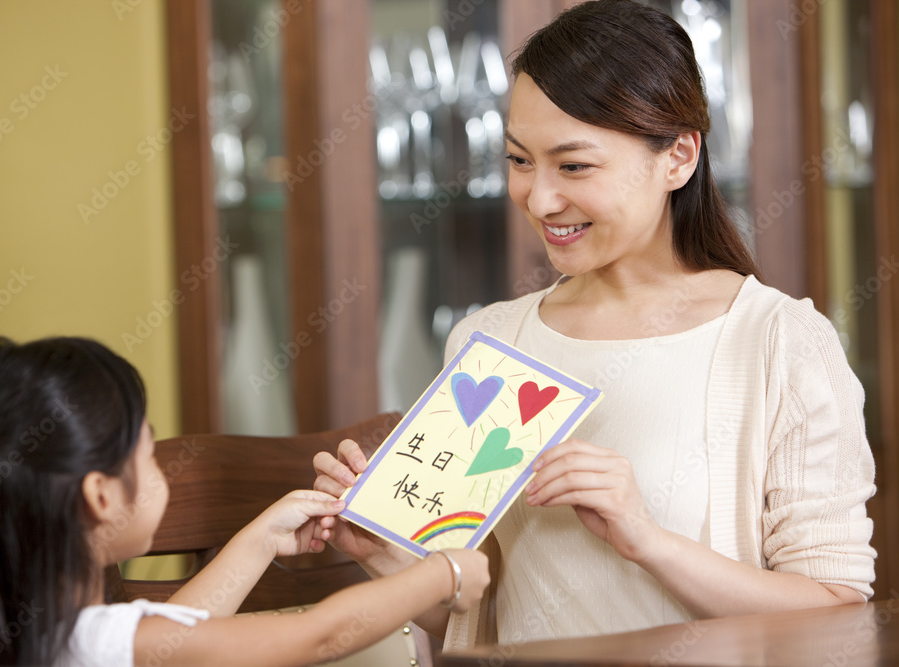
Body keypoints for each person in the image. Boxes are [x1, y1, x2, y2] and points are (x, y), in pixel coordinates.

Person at [314, 0, 876, 650]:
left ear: (679, 157)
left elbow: (835, 610)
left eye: (573, 165)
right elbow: (476, 614)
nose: (540, 197)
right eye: (520, 159)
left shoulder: (779, 343)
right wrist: (384, 555)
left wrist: (647, 540)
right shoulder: (489, 344)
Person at [0, 336, 489, 666]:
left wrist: (260, 540)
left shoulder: (42, 633)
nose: (158, 470)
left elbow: (176, 630)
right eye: (147, 456)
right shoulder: (94, 639)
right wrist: (444, 574)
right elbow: (317, 636)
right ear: (100, 497)